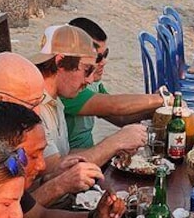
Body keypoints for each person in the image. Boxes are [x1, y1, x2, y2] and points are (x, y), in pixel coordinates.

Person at [0, 52, 108, 208]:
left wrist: (52, 176)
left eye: (40, 103)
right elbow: (4, 211)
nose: (37, 113)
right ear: (0, 100)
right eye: (32, 105)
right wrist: (58, 185)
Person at [32, 25, 146, 176]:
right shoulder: (34, 105)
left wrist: (114, 149)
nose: (91, 80)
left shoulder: (57, 99)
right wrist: (114, 143)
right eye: (87, 70)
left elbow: (66, 155)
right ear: (60, 62)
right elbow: (54, 170)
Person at [65, 18, 169, 151]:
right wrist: (162, 99)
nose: (104, 62)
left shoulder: (92, 82)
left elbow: (119, 117)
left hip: (88, 154)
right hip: (74, 159)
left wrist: (153, 111)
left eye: (105, 55)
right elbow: (113, 106)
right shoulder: (69, 86)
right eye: (97, 57)